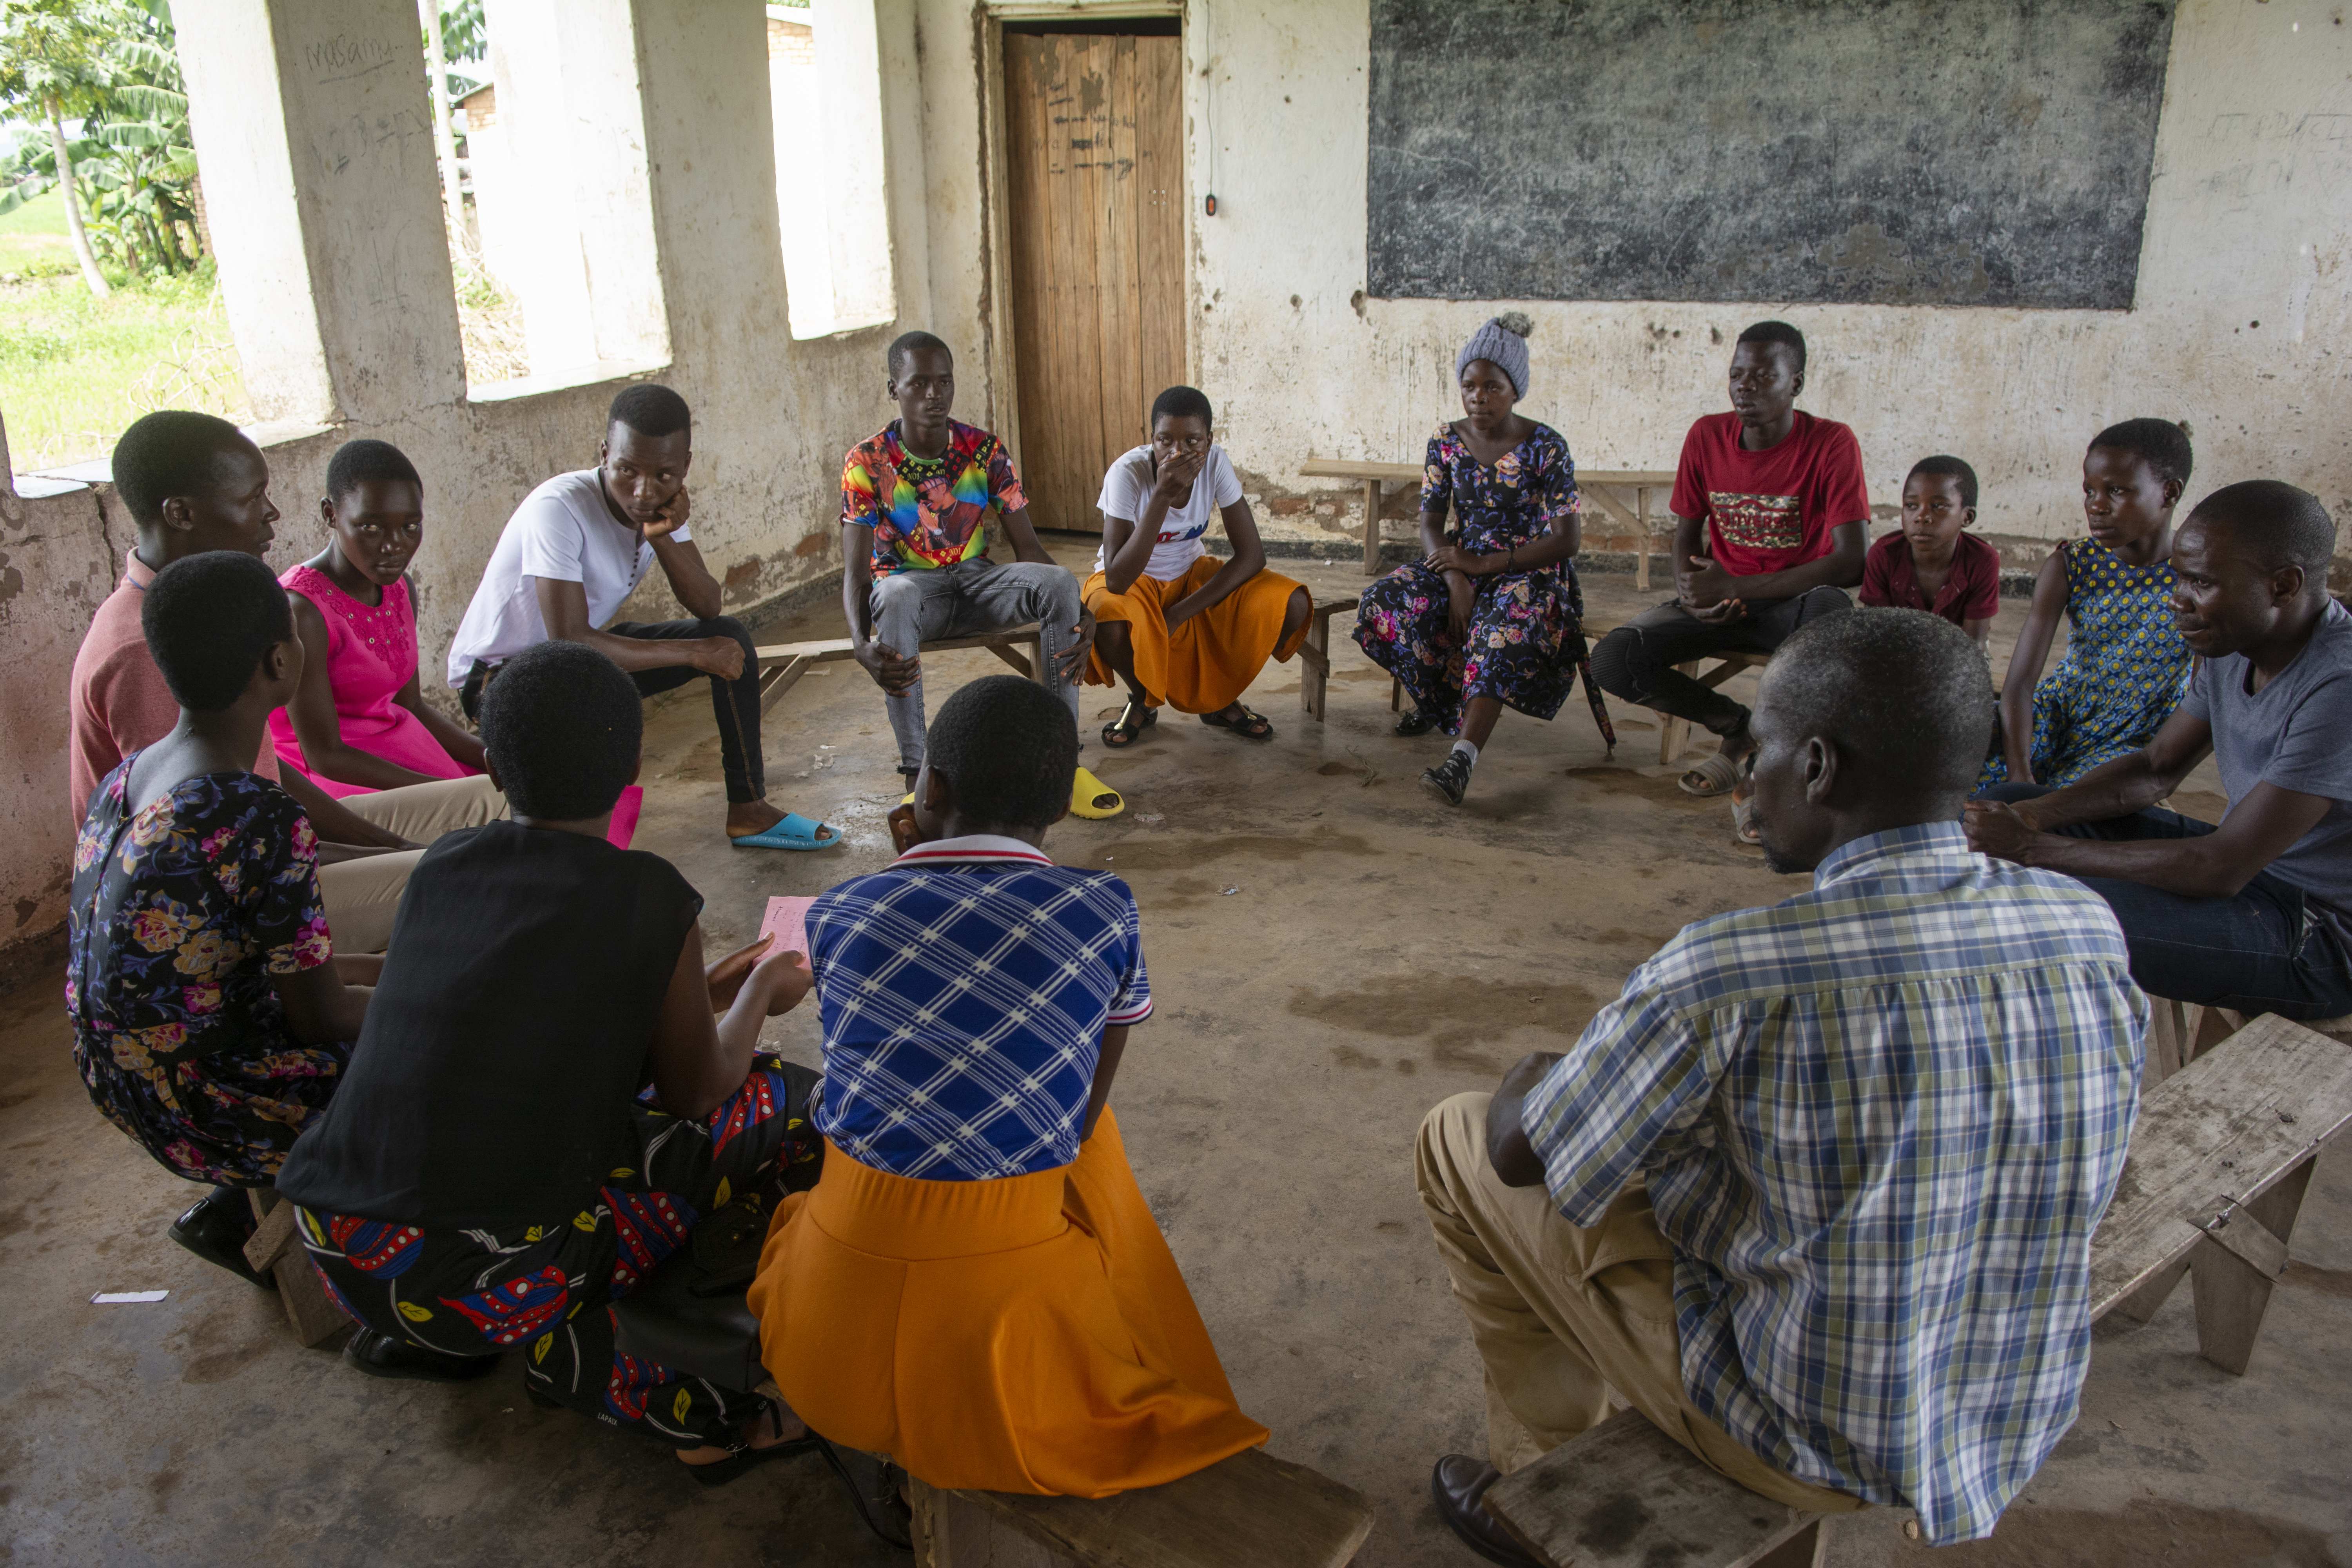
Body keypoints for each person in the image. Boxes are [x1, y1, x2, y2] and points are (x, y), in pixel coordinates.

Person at [1419, 608, 2144, 1564]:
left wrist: (1534, 1073)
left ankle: (1540, 1486)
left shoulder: (1734, 968)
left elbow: (1527, 1152)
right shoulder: (2082, 924)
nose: (1743, 780)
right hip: (2008, 1404)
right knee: (1704, 1147)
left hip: (1806, 1430)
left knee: (1459, 1131)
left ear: (1816, 767)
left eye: (1752, 749)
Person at [278, 640, 827, 1466]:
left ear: (492, 767)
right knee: (794, 1101)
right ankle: (671, 1390)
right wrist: (759, 995)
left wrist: (705, 987)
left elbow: (516, 995)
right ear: (634, 760)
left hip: (339, 1244)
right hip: (491, 1276)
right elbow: (699, 1090)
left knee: (576, 1128)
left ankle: (467, 1335)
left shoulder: (445, 865)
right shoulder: (644, 891)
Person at [749, 675, 1267, 1495]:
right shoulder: (1103, 908)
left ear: (930, 791)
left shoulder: (844, 910)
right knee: (1096, 1142)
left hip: (823, 1341)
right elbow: (1082, 1117)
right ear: (1062, 805)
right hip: (1003, 1378)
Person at [71, 412, 506, 953]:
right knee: (467, 878)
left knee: (503, 804)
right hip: (212, 909)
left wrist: (386, 844)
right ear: (181, 513)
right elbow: (210, 845)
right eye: (255, 498)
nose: (272, 515)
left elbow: (260, 775)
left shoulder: (201, 606)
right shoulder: (146, 648)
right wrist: (393, 853)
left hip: (265, 835)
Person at [66, 552, 377, 1287]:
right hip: (198, 1099)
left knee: (397, 987)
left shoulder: (133, 773)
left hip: (118, 1077)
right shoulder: (254, 814)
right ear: (279, 661)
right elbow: (323, 1019)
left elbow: (272, 970)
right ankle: (383, 1281)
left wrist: (389, 978)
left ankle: (236, 1212)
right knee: (445, 1053)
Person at [1968, 481, 2352, 1022]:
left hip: (2320, 938)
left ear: (2284, 586)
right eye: (2179, 576)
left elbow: (2220, 867)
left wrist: (2032, 847)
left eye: (2200, 582)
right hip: (2257, 875)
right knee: (2009, 793)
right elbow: (2155, 769)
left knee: (2059, 915)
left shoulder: (2339, 685)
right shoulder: (2232, 642)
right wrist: (2030, 815)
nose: (2179, 598)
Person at [445, 383, 837, 851]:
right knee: (691, 659)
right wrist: (694, 653)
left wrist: (662, 536)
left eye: (663, 475)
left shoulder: (660, 506)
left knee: (728, 637)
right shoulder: (560, 508)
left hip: (570, 662)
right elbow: (570, 637)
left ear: (684, 467)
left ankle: (748, 808)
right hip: (500, 676)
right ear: (605, 453)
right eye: (626, 470)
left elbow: (708, 605)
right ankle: (578, 855)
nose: (642, 491)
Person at [1587, 321, 1866, 842]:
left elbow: (1852, 563)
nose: (1746, 387)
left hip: (1793, 604)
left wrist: (1739, 588)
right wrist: (1693, 594)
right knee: (1612, 658)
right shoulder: (1707, 436)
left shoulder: (1831, 443)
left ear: (1797, 383)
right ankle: (1736, 727)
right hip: (1722, 604)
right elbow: (1685, 537)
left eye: (1764, 376)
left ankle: (1772, 774)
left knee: (1833, 622)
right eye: (1738, 375)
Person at [838, 331, 1119, 819]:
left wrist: (1080, 605)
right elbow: (856, 573)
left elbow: (1029, 548)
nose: (934, 394)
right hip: (914, 599)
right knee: (898, 591)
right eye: (919, 383)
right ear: (893, 389)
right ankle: (916, 774)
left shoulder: (983, 450)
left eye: (943, 381)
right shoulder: (867, 462)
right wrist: (861, 643)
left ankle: (1064, 767)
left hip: (976, 588)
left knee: (1058, 584)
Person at [1352, 314, 1610, 806]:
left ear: (1516, 391)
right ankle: (1438, 700)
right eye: (1470, 386)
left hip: (1530, 567)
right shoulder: (1446, 441)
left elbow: (1567, 540)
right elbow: (1430, 524)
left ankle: (1462, 759)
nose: (1479, 397)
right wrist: (1455, 576)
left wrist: (1487, 566)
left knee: (1500, 629)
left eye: (1493, 387)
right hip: (1460, 557)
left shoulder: (1547, 447)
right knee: (1385, 600)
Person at [1087, 385, 1312, 748]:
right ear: (1152, 440)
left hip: (1190, 573)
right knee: (1106, 615)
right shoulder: (1126, 474)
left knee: (1291, 603)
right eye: (1165, 440)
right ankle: (1143, 699)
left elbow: (1252, 555)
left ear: (1209, 441)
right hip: (1135, 582)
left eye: (1192, 441)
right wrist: (1161, 495)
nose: (1177, 453)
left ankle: (1219, 698)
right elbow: (1116, 578)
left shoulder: (1217, 463)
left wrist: (1179, 613)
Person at [1981, 419, 2194, 788]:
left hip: (2134, 737)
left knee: (2068, 806)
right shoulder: (2072, 564)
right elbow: (2019, 685)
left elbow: (2204, 697)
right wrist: (2020, 775)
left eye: (2116, 491)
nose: (2096, 506)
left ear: (2169, 493)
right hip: (2059, 714)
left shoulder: (2196, 576)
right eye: (2089, 491)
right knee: (1965, 769)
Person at [269, 439, 489, 795]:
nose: (394, 545)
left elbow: (411, 704)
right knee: (491, 819)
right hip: (338, 777)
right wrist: (447, 795)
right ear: (331, 515)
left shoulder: (400, 588)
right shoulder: (302, 611)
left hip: (401, 748)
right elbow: (324, 754)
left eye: (410, 527)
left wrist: (492, 757)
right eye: (371, 527)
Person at [1859, 456, 2000, 647]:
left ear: (1967, 517)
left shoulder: (1982, 560)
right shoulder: (1884, 555)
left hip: (1956, 657)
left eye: (1938, 506)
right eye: (1911, 506)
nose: (1922, 517)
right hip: (1895, 653)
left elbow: (1974, 644)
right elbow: (1876, 636)